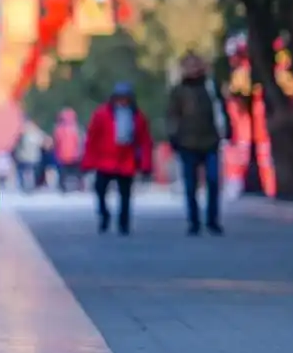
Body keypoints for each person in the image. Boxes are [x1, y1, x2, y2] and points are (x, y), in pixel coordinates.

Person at [167, 52, 230, 235]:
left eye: (196, 64)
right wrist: (173, 136)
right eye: (189, 65)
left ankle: (212, 220)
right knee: (190, 184)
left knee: (213, 180)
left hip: (210, 141)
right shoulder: (179, 91)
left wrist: (228, 129)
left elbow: (221, 109)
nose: (193, 68)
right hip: (187, 142)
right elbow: (172, 115)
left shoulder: (211, 87)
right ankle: (193, 221)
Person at [81, 82, 153, 235]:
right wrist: (88, 161)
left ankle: (124, 222)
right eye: (120, 98)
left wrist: (146, 164)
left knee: (125, 194)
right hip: (105, 160)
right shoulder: (102, 114)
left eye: (125, 98)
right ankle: (104, 215)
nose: (123, 102)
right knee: (100, 190)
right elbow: (92, 138)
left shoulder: (138, 117)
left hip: (126, 160)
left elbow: (145, 141)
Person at [52, 108, 85, 193]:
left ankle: (62, 187)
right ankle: (80, 186)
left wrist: (56, 153)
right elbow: (80, 141)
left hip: (63, 155)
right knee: (78, 172)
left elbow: (56, 142)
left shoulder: (58, 129)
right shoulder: (76, 129)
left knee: (63, 173)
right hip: (75, 155)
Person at [12, 121, 46, 191]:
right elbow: (44, 143)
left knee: (24, 171)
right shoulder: (37, 134)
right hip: (34, 158)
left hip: (24, 157)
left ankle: (25, 185)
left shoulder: (23, 134)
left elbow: (17, 145)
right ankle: (31, 185)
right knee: (31, 172)